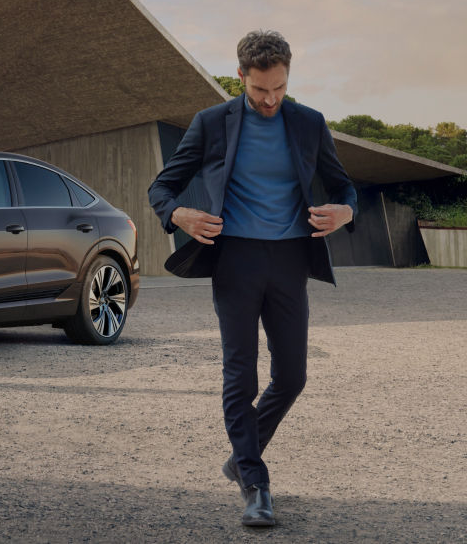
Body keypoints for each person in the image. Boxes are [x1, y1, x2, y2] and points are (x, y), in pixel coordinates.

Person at [147, 30, 356, 527]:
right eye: (261, 89)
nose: (270, 99)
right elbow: (163, 186)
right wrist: (180, 216)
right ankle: (256, 483)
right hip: (235, 260)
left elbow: (344, 182)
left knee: (293, 376)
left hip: (289, 261)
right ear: (241, 76)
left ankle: (242, 455)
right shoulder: (212, 123)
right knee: (240, 373)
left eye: (279, 88)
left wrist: (346, 210)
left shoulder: (308, 123)